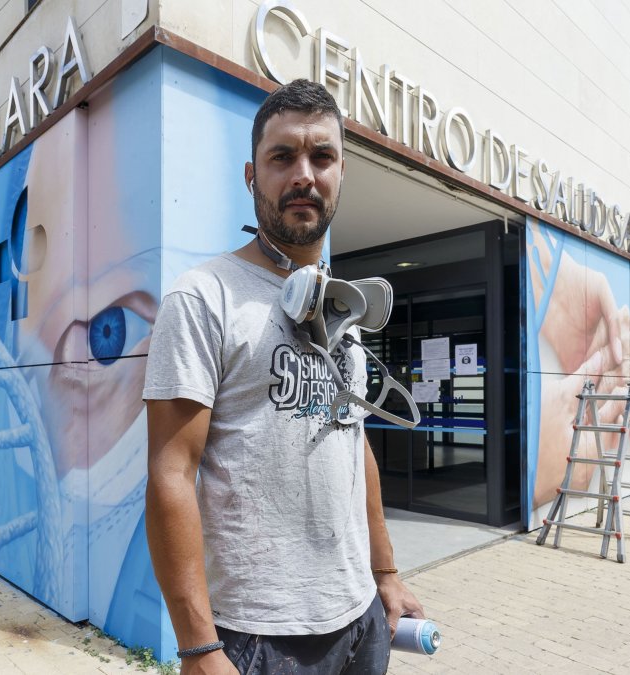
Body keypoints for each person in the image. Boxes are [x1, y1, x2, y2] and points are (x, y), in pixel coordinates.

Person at [143, 79, 424, 675]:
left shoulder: (342, 309)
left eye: (322, 156)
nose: (304, 174)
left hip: (361, 621)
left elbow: (357, 448)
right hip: (257, 638)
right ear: (252, 176)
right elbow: (171, 474)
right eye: (282, 157)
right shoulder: (202, 298)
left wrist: (386, 573)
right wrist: (198, 647)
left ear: (341, 173)